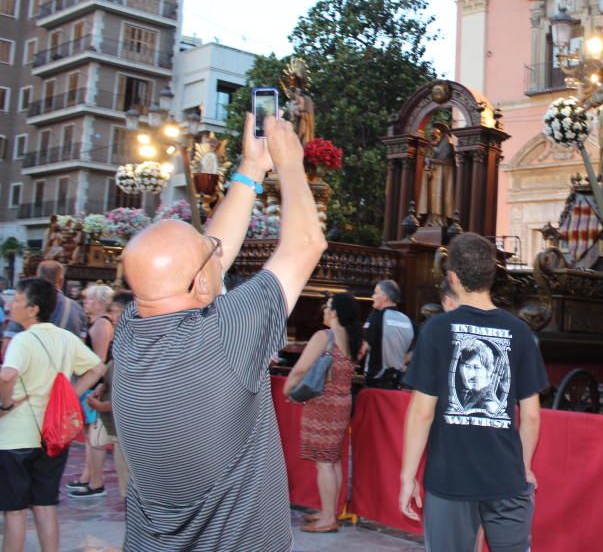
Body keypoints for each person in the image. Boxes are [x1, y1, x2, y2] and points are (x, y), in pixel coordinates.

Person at [111, 111, 326, 550]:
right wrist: (289, 163)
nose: (217, 251)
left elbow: (206, 260)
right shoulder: (222, 337)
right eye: (209, 257)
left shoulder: (130, 331)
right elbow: (306, 244)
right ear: (201, 282)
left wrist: (249, 170)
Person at [400, 232, 548, 552]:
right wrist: (521, 468)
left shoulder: (437, 330)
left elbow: (422, 412)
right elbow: (532, 416)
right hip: (506, 479)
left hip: (449, 479)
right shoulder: (520, 333)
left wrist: (408, 475)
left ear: (452, 277)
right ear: (491, 276)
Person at [0, 277, 105, 552]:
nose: (12, 305)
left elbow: (7, 375)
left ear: (33, 308)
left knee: (15, 511)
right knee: (45, 506)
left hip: (15, 438)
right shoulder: (65, 337)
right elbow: (97, 368)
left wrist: (5, 403)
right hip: (53, 435)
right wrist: (72, 392)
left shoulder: (23, 340)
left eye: (19, 300)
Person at [282, 293, 357, 534]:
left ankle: (328, 519)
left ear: (334, 312)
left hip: (323, 404)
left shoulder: (324, 336)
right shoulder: (352, 338)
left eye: (327, 307)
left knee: (324, 463)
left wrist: (288, 389)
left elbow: (301, 368)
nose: (324, 310)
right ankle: (328, 512)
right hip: (342, 403)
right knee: (332, 460)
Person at [83, 290, 134, 499]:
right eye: (112, 311)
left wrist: (102, 406)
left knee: (132, 490)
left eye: (118, 312)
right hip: (121, 427)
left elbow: (132, 392)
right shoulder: (125, 338)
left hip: (131, 429)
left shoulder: (138, 341)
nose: (113, 316)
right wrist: (104, 385)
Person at [67, 284, 115, 498]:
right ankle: (88, 476)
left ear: (100, 303)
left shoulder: (101, 325)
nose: (85, 303)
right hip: (94, 384)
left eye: (89, 300)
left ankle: (95, 481)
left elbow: (99, 360)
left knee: (94, 436)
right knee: (90, 435)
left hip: (95, 387)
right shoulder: (97, 324)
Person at [3, 260, 87, 343]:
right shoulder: (77, 309)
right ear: (61, 281)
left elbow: (8, 343)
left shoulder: (25, 304)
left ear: (37, 278)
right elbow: (81, 345)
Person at [360, 279, 414, 388]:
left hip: (375, 382)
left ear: (385, 297)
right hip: (397, 382)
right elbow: (418, 348)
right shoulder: (408, 320)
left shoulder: (376, 317)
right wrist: (402, 362)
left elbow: (363, 347)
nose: (372, 296)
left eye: (376, 293)